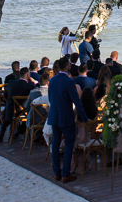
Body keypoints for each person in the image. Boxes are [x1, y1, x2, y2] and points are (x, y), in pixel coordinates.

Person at [48, 56, 88, 184]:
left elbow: (50, 98)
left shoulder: (52, 80)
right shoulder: (69, 82)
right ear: (67, 66)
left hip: (54, 115)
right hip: (66, 116)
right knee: (69, 144)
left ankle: (56, 172)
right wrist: (84, 117)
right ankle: (65, 173)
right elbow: (76, 101)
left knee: (55, 144)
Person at [0, 67, 34, 142]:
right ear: (28, 75)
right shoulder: (30, 86)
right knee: (28, 112)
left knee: (8, 107)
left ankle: (2, 132)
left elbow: (6, 93)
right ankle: (19, 131)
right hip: (23, 111)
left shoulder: (11, 83)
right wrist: (34, 81)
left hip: (10, 110)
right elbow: (38, 87)